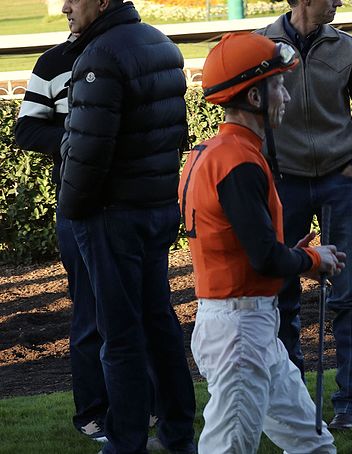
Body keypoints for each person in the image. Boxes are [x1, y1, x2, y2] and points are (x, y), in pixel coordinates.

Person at [179, 32, 344, 454]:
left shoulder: (217, 151)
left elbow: (252, 246)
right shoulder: (238, 160)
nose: (285, 95)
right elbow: (266, 259)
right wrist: (312, 259)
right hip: (239, 331)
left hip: (248, 327)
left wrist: (296, 252)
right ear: (255, 97)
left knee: (313, 442)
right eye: (278, 85)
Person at [58, 0, 196, 452]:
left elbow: (87, 151)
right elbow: (179, 133)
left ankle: (125, 441)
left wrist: (74, 210)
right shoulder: (161, 44)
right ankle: (176, 434)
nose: (65, 7)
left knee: (119, 337)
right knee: (159, 325)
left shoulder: (100, 56)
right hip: (156, 209)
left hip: (113, 217)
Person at [256, 0, 352, 430]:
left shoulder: (349, 50)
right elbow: (242, 111)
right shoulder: (260, 46)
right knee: (281, 294)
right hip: (285, 187)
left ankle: (351, 402)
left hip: (339, 183)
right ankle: (293, 396)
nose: (338, 2)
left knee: (348, 294)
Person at [14, 33, 110, 443]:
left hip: (133, 204)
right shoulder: (52, 62)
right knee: (89, 314)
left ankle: (149, 407)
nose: (66, 6)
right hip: (77, 207)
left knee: (143, 311)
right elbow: (27, 130)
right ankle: (93, 414)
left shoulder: (137, 50)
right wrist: (78, 141)